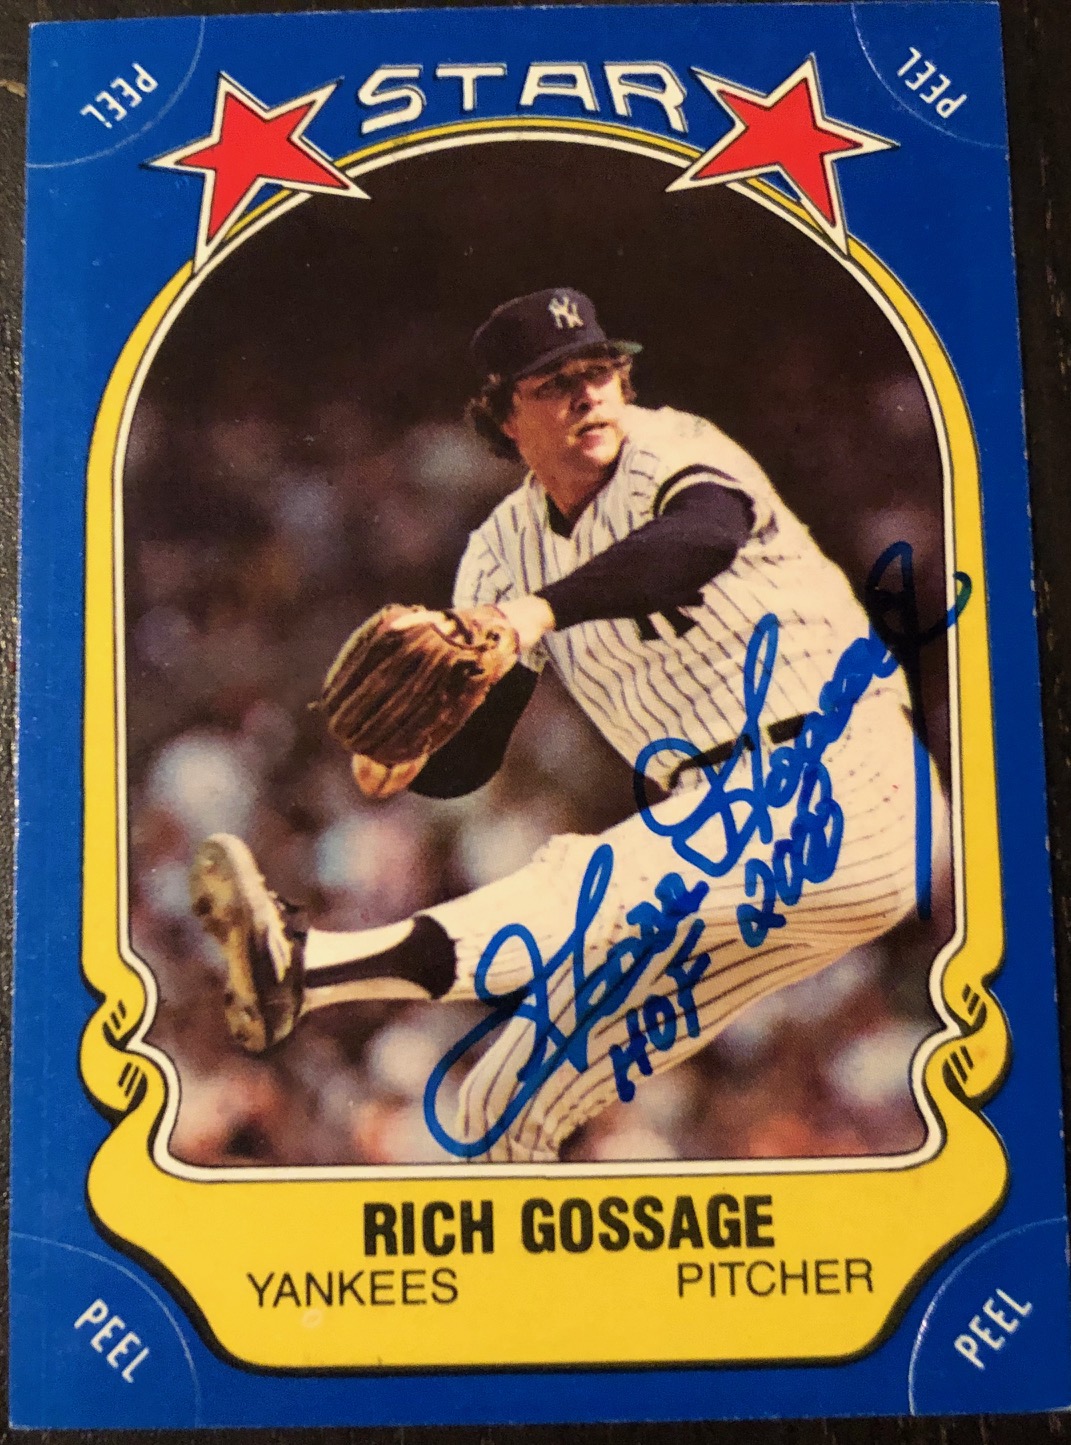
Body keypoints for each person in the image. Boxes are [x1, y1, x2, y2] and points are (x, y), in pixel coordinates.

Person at [190, 287, 941, 1163]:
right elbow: (476, 751)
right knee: (498, 1105)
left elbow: (697, 541)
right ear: (503, 417)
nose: (587, 395)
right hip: (723, 828)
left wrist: (533, 614)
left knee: (587, 880)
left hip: (845, 778)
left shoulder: (676, 446)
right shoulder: (499, 551)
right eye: (553, 384)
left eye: (600, 372)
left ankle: (311, 965)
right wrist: (411, 754)